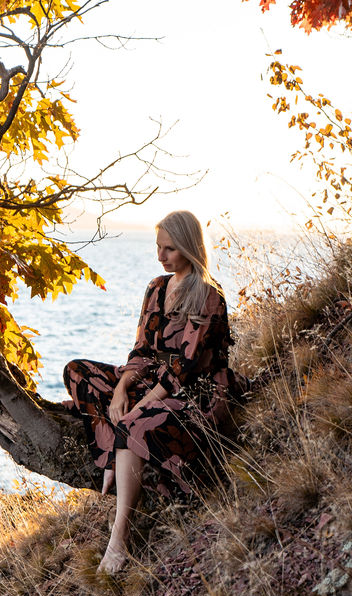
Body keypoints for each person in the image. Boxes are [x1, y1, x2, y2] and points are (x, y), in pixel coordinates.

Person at [63, 210, 238, 573]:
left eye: (170, 249)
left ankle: (118, 540)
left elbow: (182, 371)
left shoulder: (208, 296)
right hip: (150, 380)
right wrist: (121, 389)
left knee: (133, 424)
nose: (161, 256)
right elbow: (141, 350)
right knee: (77, 372)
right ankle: (116, 452)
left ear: (189, 248)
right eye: (158, 247)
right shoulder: (157, 287)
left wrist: (132, 408)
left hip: (194, 392)